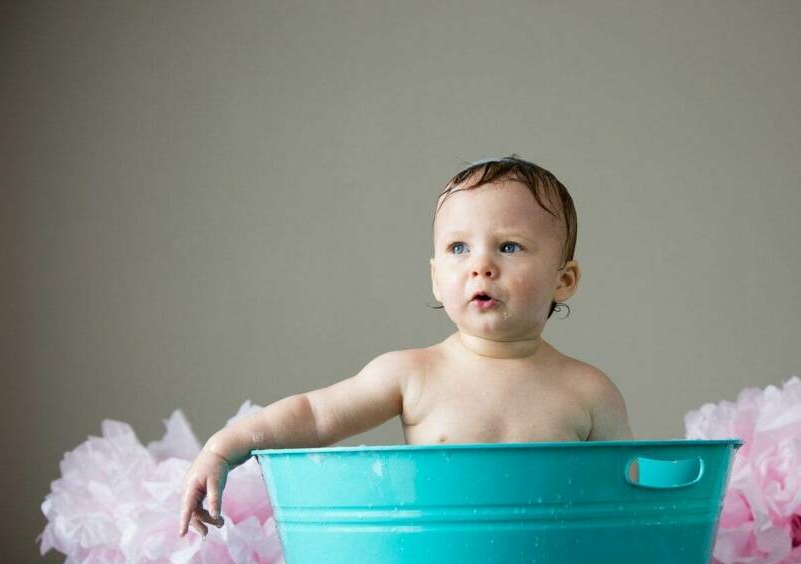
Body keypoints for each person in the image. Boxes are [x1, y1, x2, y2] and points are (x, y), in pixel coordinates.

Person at [178, 155, 634, 538]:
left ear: (564, 280)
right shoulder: (412, 374)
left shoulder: (589, 391)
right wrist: (224, 448)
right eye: (458, 248)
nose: (481, 266)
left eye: (510, 247)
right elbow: (314, 416)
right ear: (436, 278)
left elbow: (631, 503)